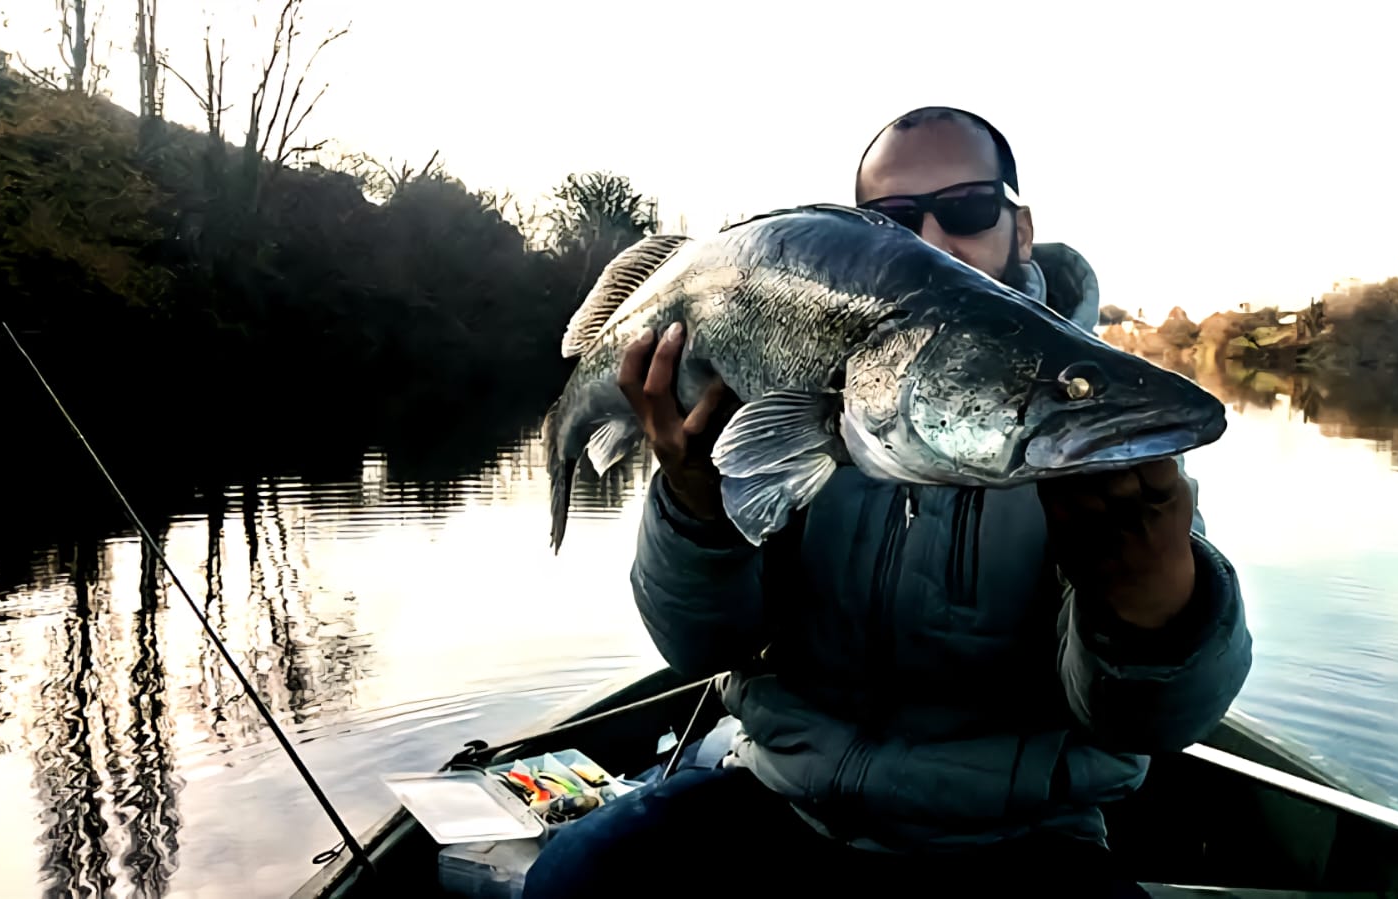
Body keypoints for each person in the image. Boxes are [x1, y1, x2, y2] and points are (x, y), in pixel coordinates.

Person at [523, 106, 1253, 897]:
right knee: (571, 880)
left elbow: (1152, 723)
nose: (934, 237)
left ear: (1021, 228)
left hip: (1024, 840)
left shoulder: (1093, 444)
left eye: (967, 208)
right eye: (895, 220)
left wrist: (1149, 613)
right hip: (783, 800)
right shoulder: (764, 419)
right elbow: (701, 647)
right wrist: (695, 509)